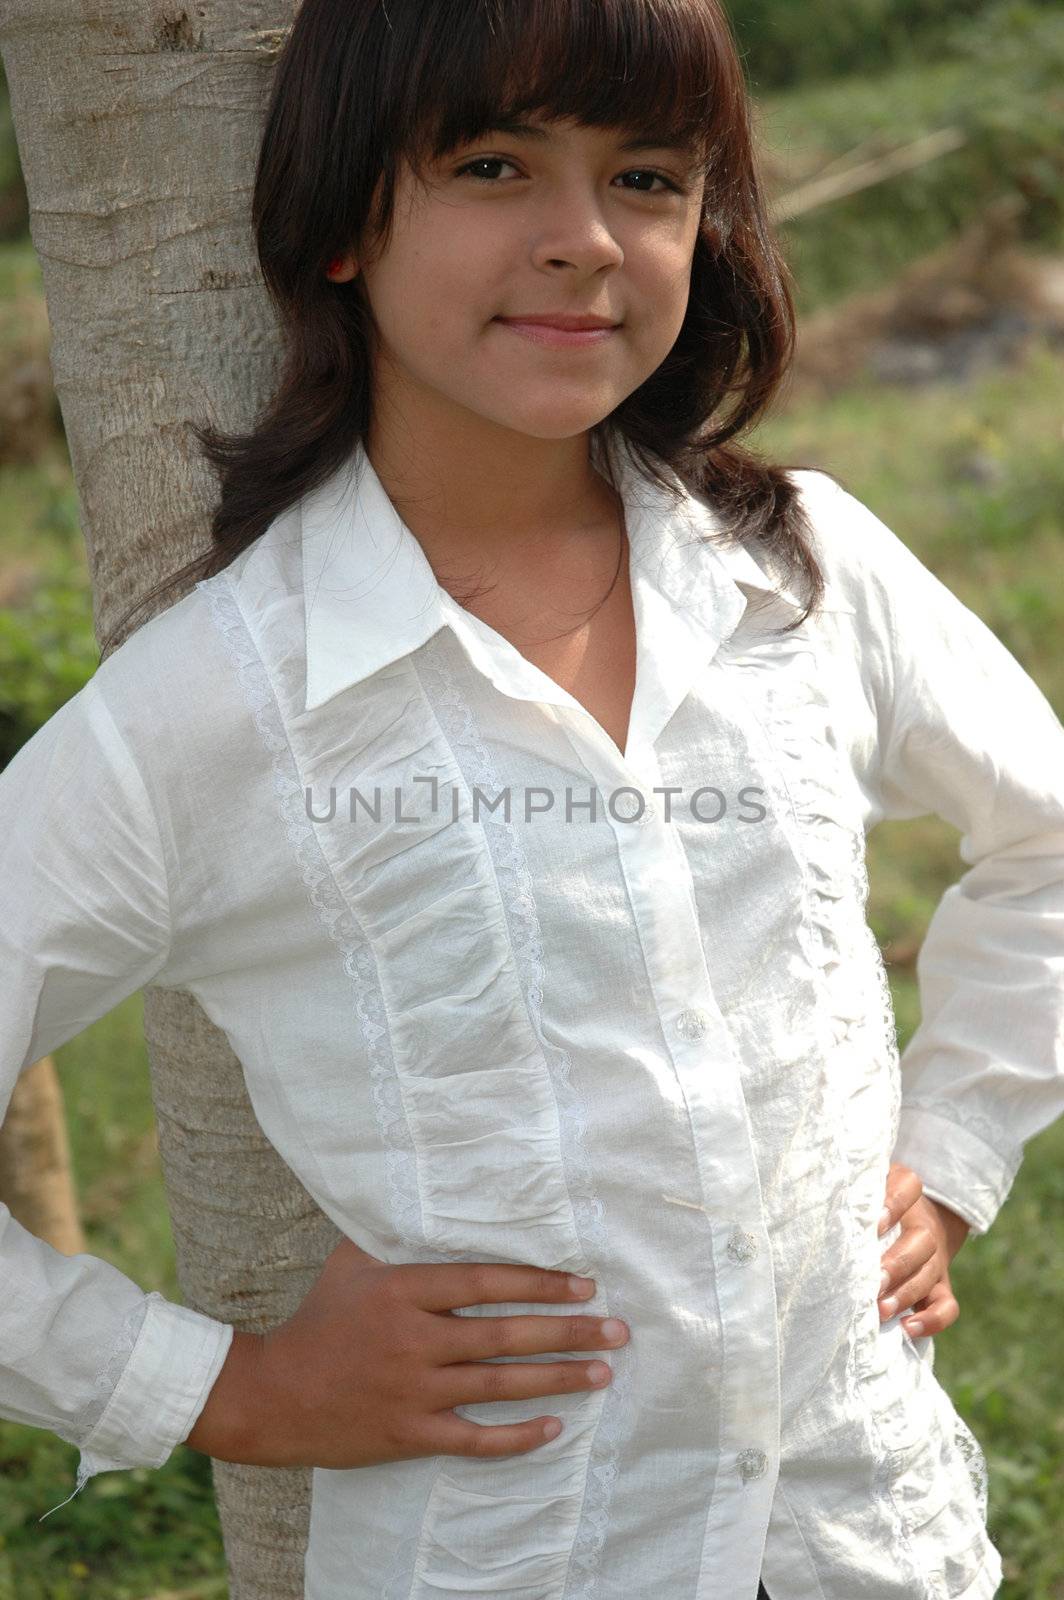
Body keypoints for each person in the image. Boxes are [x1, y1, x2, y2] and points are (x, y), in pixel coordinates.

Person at [1, 0, 1061, 1595]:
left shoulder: (806, 574)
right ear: (344, 219)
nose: (583, 241)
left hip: (874, 1540)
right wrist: (229, 1389)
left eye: (647, 178)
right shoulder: (224, 708)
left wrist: (957, 1148)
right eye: (494, 165)